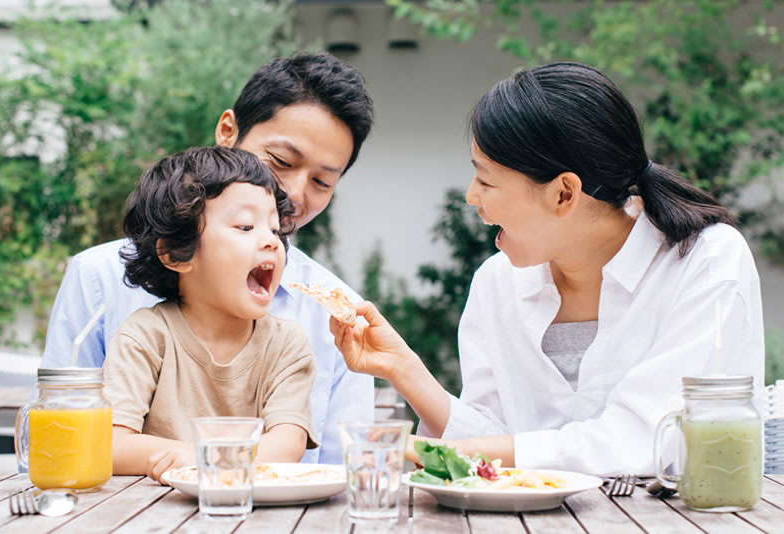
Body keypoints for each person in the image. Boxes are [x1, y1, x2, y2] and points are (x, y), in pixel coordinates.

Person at [329, 62, 764, 476]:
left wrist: (441, 452)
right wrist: (402, 368)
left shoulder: (706, 264)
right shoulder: (496, 283)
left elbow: (650, 441)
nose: (470, 196)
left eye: (486, 180)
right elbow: (493, 442)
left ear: (563, 194)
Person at [40, 53, 375, 464]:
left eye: (322, 181)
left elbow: (344, 470)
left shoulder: (336, 315)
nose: (295, 193)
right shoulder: (99, 282)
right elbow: (62, 451)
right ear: (228, 131)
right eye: (282, 162)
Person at [105, 146, 317, 481]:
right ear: (176, 253)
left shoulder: (286, 342)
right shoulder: (145, 335)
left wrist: (199, 456)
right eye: (246, 227)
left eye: (275, 230)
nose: (272, 243)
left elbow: (287, 446)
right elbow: (110, 446)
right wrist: (209, 457)